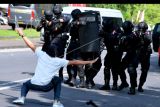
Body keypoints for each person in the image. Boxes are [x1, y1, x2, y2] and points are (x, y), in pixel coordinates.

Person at [12, 28, 98, 107]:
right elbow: (76, 62)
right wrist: (90, 61)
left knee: (25, 85)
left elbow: (30, 44)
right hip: (45, 87)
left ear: (46, 51)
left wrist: (22, 34)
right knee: (57, 80)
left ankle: (21, 98)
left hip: (34, 84)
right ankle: (56, 102)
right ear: (55, 53)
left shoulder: (41, 54)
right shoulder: (59, 61)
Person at [99, 20, 124, 90]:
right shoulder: (105, 29)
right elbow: (100, 34)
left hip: (117, 52)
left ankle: (115, 84)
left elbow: (113, 37)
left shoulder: (116, 29)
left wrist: (105, 34)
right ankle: (106, 84)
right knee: (106, 67)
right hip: (110, 51)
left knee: (114, 68)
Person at [64, 9, 85, 87]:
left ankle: (82, 81)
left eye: (74, 15)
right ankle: (71, 78)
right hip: (72, 42)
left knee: (78, 62)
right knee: (69, 61)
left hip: (79, 43)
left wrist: (77, 23)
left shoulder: (82, 20)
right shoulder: (72, 21)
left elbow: (83, 23)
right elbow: (68, 29)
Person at [118, 21, 140, 95]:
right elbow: (119, 41)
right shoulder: (122, 34)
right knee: (120, 68)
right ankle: (124, 82)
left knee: (131, 70)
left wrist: (130, 37)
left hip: (134, 54)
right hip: (128, 54)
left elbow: (138, 40)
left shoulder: (134, 34)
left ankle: (133, 87)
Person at [135, 21, 152, 92]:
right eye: (140, 29)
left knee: (144, 70)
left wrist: (143, 35)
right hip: (137, 53)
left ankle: (140, 85)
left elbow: (149, 40)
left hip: (145, 55)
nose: (141, 30)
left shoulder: (147, 34)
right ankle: (133, 84)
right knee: (131, 68)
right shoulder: (135, 34)